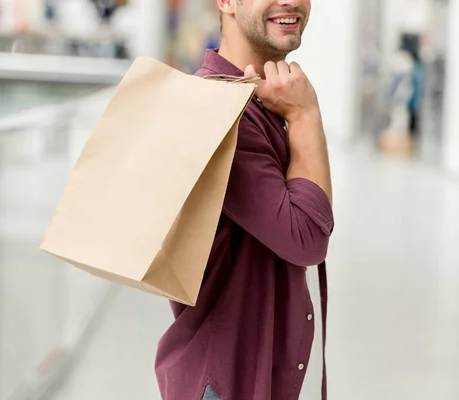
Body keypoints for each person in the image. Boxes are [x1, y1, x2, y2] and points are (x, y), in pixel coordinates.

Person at [155, 0, 334, 399]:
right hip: (224, 382)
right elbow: (306, 237)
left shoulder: (258, 102)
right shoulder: (216, 112)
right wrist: (306, 115)